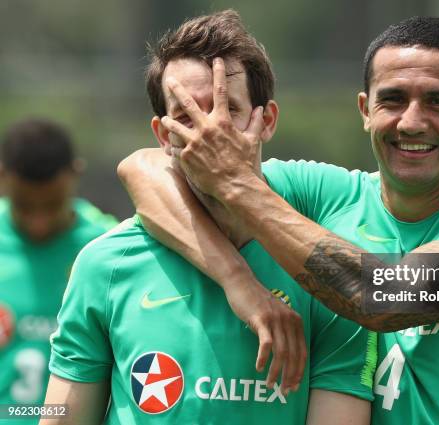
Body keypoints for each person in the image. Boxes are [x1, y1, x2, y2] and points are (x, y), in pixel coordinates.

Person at [120, 16, 439, 424]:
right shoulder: (325, 194)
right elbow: (145, 169)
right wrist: (241, 284)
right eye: (393, 99)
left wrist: (236, 183)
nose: (411, 121)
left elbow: (387, 297)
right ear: (365, 109)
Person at [42, 11, 374, 425]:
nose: (208, 132)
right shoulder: (105, 265)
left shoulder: (324, 274)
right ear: (163, 136)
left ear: (266, 120)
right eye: (185, 115)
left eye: (227, 109)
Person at [0, 118, 116, 424]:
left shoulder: (109, 248)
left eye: (52, 206)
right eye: (24, 206)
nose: (39, 222)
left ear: (76, 173)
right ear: (2, 177)